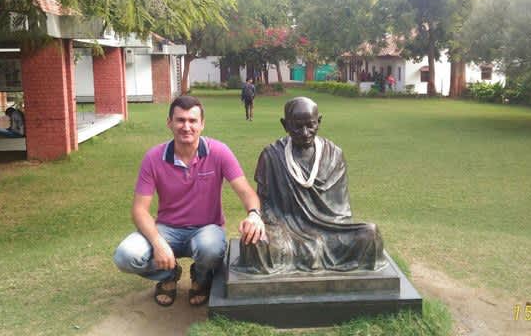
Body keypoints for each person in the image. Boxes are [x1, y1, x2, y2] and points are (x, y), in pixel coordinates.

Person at [113, 95, 265, 307]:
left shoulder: (219, 152)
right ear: (169, 123)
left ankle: (201, 278)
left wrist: (254, 215)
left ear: (202, 124)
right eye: (180, 120)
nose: (186, 127)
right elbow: (139, 210)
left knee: (211, 249)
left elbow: (246, 192)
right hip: (167, 230)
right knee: (125, 256)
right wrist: (158, 243)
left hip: (206, 229)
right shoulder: (153, 158)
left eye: (192, 121)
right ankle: (169, 275)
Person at [234, 97, 386, 274]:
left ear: (319, 122)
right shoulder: (272, 155)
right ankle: (304, 252)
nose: (305, 133)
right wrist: (271, 226)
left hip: (329, 230)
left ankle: (314, 252)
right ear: (285, 125)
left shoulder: (334, 155)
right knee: (254, 243)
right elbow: (266, 206)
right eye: (298, 127)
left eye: (310, 125)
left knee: (370, 234)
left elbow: (341, 210)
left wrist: (318, 237)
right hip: (286, 231)